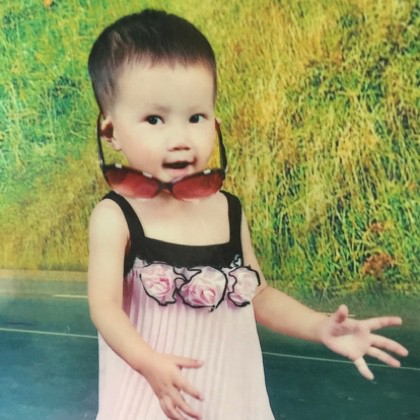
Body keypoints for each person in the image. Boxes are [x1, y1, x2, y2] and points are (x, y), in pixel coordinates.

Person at [87, 9, 408, 420]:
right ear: (111, 131)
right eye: (154, 119)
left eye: (196, 117)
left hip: (229, 397)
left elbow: (257, 295)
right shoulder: (115, 217)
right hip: (154, 398)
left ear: (215, 123)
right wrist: (150, 363)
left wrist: (319, 326)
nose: (181, 138)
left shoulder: (227, 209)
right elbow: (105, 309)